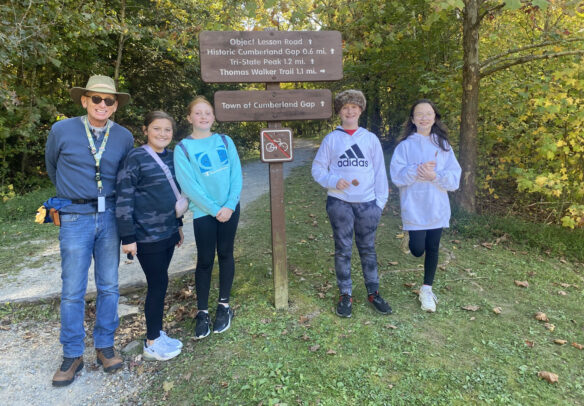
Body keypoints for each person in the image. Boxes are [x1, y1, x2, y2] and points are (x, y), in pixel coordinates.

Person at [45, 75, 133, 387]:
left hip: (109, 216)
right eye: (96, 99)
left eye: (109, 101)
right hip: (74, 216)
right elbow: (52, 166)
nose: (102, 105)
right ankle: (71, 354)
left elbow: (126, 179)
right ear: (84, 100)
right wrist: (74, 196)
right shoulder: (62, 130)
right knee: (72, 290)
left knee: (109, 285)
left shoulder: (123, 137)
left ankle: (104, 346)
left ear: (115, 105)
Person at [311, 89, 391, 318]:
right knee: (343, 250)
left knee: (368, 249)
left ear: (360, 110)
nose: (350, 111)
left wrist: (380, 204)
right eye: (345, 107)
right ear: (339, 111)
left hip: (368, 205)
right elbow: (317, 169)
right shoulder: (332, 139)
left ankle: (373, 292)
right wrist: (334, 181)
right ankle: (345, 294)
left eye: (354, 107)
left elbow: (379, 172)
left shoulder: (370, 139)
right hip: (340, 203)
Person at [116, 111, 184, 361]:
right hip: (146, 236)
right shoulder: (135, 157)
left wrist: (178, 226)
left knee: (161, 282)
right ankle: (152, 342)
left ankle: (157, 333)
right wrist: (127, 237)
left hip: (167, 232)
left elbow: (175, 195)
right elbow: (124, 198)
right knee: (157, 285)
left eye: (167, 129)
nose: (162, 134)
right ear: (145, 130)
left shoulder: (174, 157)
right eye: (157, 129)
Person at [174, 96, 242, 339]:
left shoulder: (225, 141)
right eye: (198, 113)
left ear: (214, 117)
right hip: (205, 213)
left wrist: (229, 205)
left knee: (225, 253)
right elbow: (189, 186)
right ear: (190, 117)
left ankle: (224, 305)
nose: (203, 117)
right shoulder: (183, 148)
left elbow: (236, 175)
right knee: (204, 260)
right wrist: (215, 209)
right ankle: (202, 312)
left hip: (230, 209)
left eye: (208, 113)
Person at [389, 99, 461, 313]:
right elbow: (397, 176)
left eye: (428, 113)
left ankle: (427, 289)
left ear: (434, 117)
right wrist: (417, 170)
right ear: (412, 119)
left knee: (433, 247)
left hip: (436, 205)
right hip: (414, 205)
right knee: (418, 250)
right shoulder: (404, 147)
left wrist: (434, 175)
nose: (424, 117)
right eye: (419, 114)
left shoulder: (443, 145)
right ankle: (411, 238)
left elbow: (454, 178)